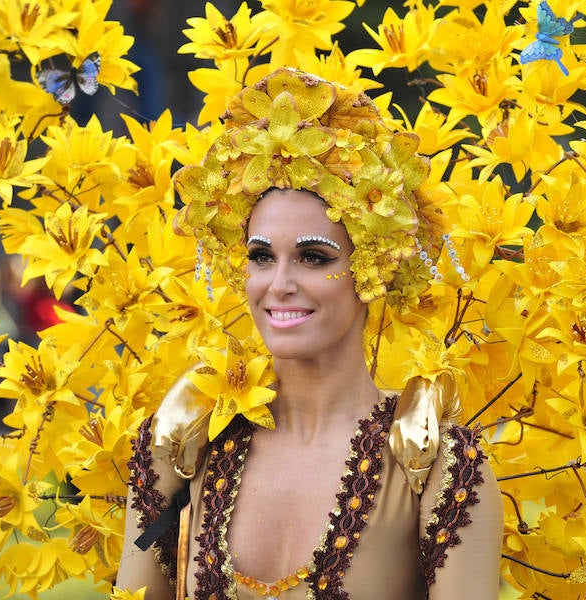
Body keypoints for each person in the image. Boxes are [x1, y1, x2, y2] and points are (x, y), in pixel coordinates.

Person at [116, 68, 503, 599]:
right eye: (260, 257)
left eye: (312, 257)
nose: (278, 285)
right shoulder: (185, 442)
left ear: (373, 266)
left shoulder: (436, 465)